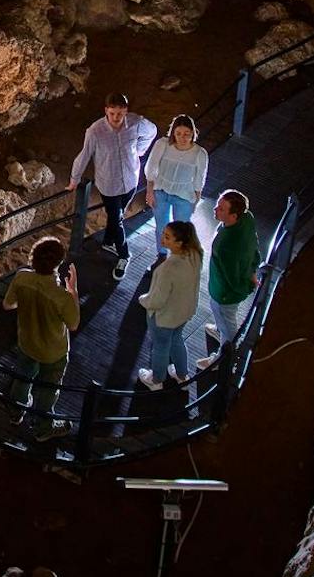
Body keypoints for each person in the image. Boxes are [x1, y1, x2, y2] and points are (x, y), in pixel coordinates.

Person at [67, 93, 158, 280]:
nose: (116, 118)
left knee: (117, 216)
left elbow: (152, 131)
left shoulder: (136, 123)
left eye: (120, 114)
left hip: (130, 180)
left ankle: (108, 241)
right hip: (109, 184)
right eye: (112, 113)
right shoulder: (95, 131)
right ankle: (124, 254)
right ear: (106, 111)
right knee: (116, 219)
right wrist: (74, 179)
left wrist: (140, 149)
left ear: (126, 111)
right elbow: (84, 155)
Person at [1, 237, 80, 440]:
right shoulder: (61, 296)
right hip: (53, 352)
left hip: (27, 343)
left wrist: (29, 302)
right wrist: (73, 292)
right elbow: (73, 324)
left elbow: (8, 305)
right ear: (58, 263)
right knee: (48, 389)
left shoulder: (21, 278)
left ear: (33, 257)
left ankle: (16, 411)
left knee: (23, 377)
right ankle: (43, 428)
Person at [136, 219, 203, 392]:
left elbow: (156, 301)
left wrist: (143, 300)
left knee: (160, 347)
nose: (162, 238)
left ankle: (156, 380)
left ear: (179, 243)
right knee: (177, 340)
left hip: (164, 317)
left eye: (167, 237)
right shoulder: (195, 254)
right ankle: (182, 376)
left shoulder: (168, 269)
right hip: (184, 312)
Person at [203, 189, 261, 363]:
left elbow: (232, 278)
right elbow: (254, 246)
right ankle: (220, 330)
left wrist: (238, 290)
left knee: (227, 320)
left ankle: (224, 356)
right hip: (230, 287)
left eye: (221, 209)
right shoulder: (247, 218)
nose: (215, 209)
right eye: (217, 205)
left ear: (234, 216)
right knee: (223, 318)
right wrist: (252, 272)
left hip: (225, 294)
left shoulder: (226, 246)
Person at [143, 114, 209, 228]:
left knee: (180, 230)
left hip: (184, 196)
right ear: (173, 133)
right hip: (161, 192)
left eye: (186, 134)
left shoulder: (200, 153)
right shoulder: (162, 144)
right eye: (178, 134)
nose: (182, 138)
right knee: (161, 229)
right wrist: (149, 192)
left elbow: (200, 178)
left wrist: (196, 200)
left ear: (192, 133)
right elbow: (151, 167)